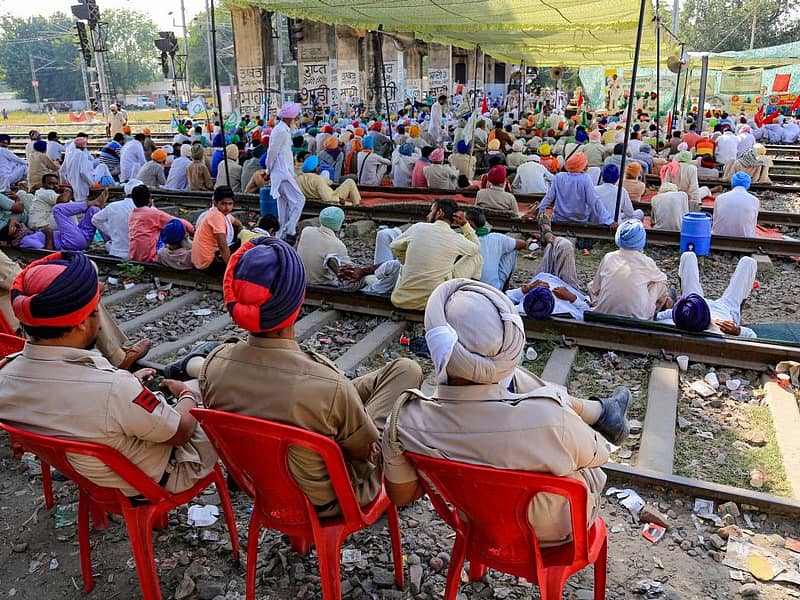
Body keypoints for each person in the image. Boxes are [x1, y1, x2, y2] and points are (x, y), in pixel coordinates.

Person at [381, 279, 630, 546]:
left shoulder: (402, 422)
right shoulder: (550, 420)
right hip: (552, 531)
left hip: (474, 523)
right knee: (536, 399)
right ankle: (598, 412)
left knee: (519, 381)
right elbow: (599, 454)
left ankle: (600, 411)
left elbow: (402, 495)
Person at [199, 236, 423, 516]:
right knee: (408, 372)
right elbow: (364, 453)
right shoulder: (328, 385)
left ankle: (340, 419)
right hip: (333, 497)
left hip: (262, 484)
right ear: (297, 301)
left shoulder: (213, 365)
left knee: (395, 373)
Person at [0, 252, 217, 496]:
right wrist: (187, 394)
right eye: (95, 311)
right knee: (210, 385)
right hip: (157, 477)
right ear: (82, 323)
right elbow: (180, 433)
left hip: (89, 475)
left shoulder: (5, 376)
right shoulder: (113, 388)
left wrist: (129, 388)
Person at [390, 198, 483, 310]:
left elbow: (394, 246)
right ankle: (471, 298)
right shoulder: (456, 238)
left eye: (431, 211)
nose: (428, 215)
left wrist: (407, 262)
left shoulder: (418, 227)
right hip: (434, 303)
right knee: (477, 257)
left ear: (439, 213)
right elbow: (476, 248)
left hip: (402, 300)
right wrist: (464, 225)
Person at [297, 206, 401, 294]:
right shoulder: (337, 245)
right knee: (389, 268)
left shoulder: (307, 231)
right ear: (340, 225)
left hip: (305, 280)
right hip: (327, 283)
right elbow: (347, 277)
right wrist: (364, 271)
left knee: (384, 237)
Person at [657, 252, 757, 337]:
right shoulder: (720, 329)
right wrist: (736, 330)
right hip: (726, 309)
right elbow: (752, 336)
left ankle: (687, 299)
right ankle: (738, 314)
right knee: (749, 262)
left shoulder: (679, 318)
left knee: (688, 256)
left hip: (694, 304)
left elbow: (658, 316)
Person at [588, 219, 670, 320]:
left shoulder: (609, 257)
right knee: (659, 283)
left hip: (603, 313)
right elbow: (663, 280)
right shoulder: (646, 261)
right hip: (638, 317)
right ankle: (654, 310)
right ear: (641, 239)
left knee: (593, 284)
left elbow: (595, 288)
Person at [507, 236, 591, 321]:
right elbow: (587, 311)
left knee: (551, 247)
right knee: (564, 246)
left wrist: (526, 289)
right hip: (565, 287)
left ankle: (550, 239)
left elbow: (506, 297)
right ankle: (551, 238)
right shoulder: (566, 311)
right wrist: (572, 297)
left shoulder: (522, 309)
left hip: (542, 277)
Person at [528, 153, 614, 226]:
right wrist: (608, 221)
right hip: (579, 221)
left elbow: (549, 197)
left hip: (559, 219)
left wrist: (539, 211)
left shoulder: (559, 177)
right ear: (583, 166)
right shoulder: (585, 179)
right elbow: (594, 201)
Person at [267, 103, 306, 243]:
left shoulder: (283, 129)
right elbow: (272, 152)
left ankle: (280, 235)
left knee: (284, 205)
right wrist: (268, 170)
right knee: (299, 200)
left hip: (282, 172)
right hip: (281, 172)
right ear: (291, 118)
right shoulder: (281, 131)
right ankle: (289, 231)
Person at [465, 207, 529, 290]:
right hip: (492, 289)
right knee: (512, 249)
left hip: (464, 287)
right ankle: (504, 289)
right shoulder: (496, 237)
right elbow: (522, 244)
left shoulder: (460, 237)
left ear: (469, 222)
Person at [128, 185, 195, 263]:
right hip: (149, 257)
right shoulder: (152, 213)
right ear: (149, 200)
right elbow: (177, 222)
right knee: (173, 230)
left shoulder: (132, 214)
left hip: (134, 255)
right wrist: (192, 230)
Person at [191, 186, 242, 274]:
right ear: (215, 203)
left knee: (241, 238)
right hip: (208, 263)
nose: (227, 208)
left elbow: (237, 222)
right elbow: (222, 246)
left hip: (200, 261)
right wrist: (231, 269)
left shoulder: (221, 214)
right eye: (223, 204)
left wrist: (241, 228)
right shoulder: (216, 216)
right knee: (244, 245)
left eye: (230, 204)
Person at [296, 155, 361, 206]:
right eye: (318, 165)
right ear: (316, 168)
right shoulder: (318, 180)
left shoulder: (298, 178)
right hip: (327, 204)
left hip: (312, 203)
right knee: (350, 181)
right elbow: (328, 199)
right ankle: (356, 205)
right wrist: (341, 201)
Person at [712, 171, 759, 238]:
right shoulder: (755, 200)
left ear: (732, 182)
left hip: (719, 238)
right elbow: (753, 223)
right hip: (746, 239)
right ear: (748, 184)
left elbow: (715, 218)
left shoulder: (720, 198)